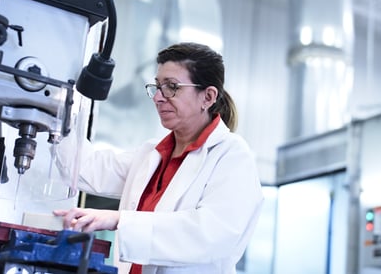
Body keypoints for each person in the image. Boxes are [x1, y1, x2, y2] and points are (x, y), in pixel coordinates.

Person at [53, 42, 263, 274]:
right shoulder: (151, 154)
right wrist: (57, 112)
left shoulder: (231, 155)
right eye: (157, 87)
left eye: (172, 87)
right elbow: (86, 169)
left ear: (208, 96)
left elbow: (213, 234)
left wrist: (120, 220)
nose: (158, 98)